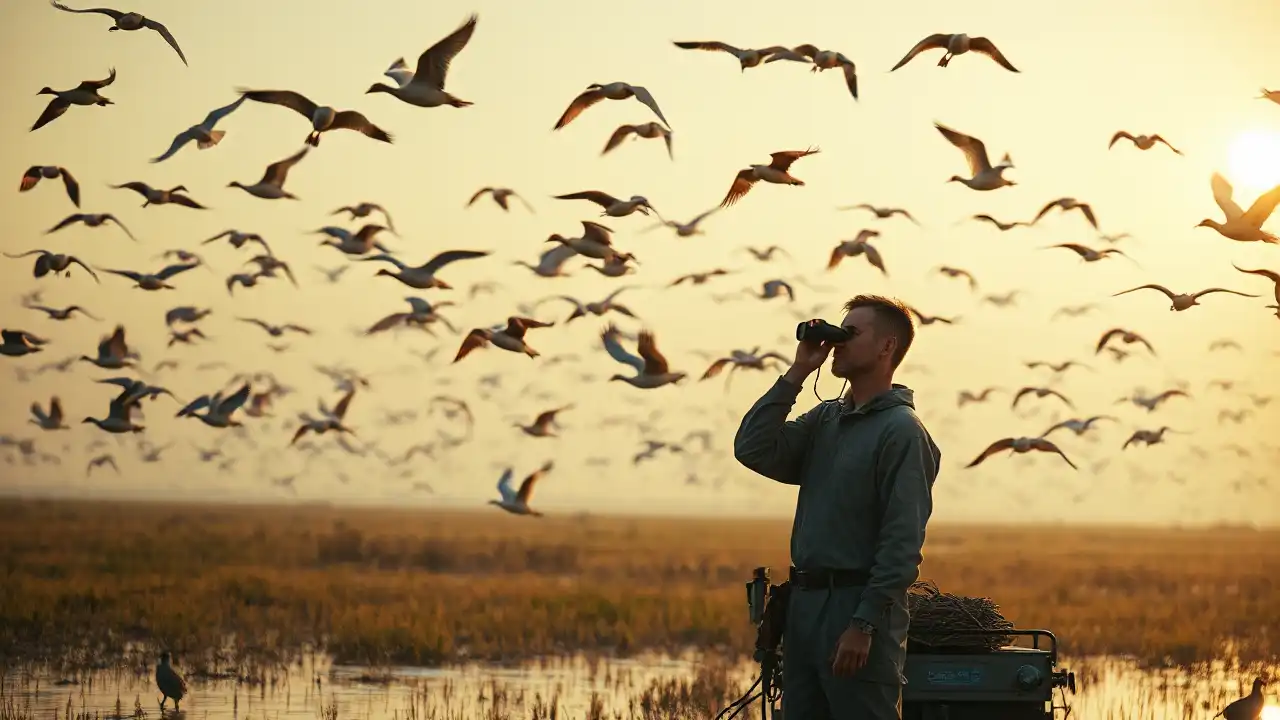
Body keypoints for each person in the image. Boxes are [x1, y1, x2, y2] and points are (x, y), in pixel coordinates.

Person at [733, 294, 941, 720]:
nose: (838, 343)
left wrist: (863, 625)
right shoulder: (826, 419)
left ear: (887, 348)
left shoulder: (902, 432)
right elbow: (752, 448)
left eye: (851, 333)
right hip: (805, 609)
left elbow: (901, 544)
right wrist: (797, 372)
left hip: (856, 609)